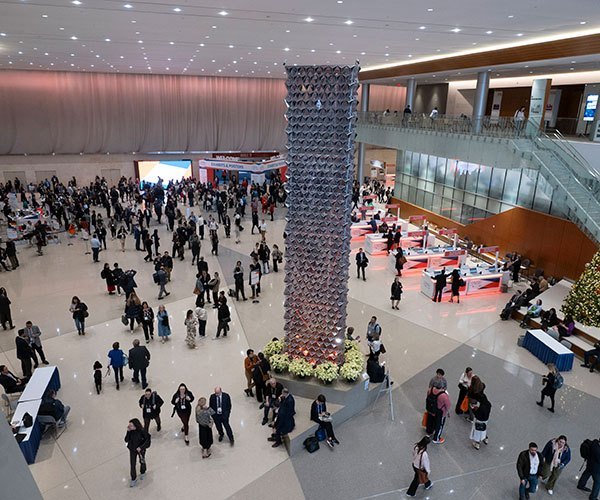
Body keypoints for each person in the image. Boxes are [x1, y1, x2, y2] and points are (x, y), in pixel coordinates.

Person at [124, 418, 151, 488]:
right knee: (132, 464)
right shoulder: (130, 431)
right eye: (129, 426)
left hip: (140, 450)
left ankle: (143, 471)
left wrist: (141, 447)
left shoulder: (142, 431)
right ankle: (133, 478)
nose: (130, 427)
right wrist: (128, 432)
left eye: (131, 426)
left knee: (142, 461)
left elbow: (147, 440)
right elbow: (126, 440)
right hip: (132, 449)